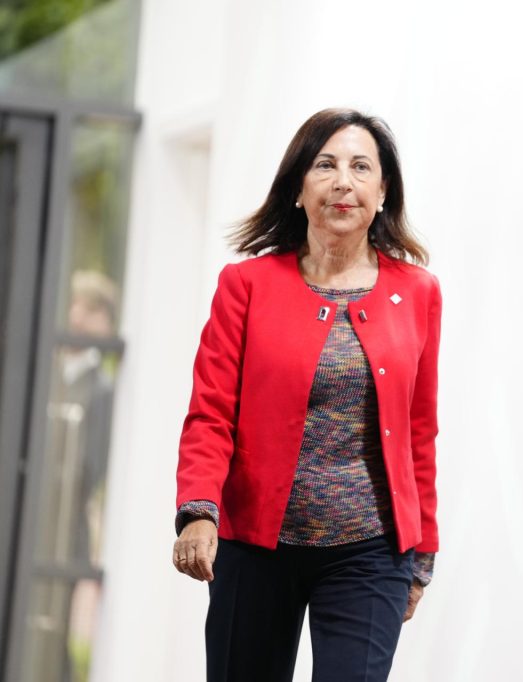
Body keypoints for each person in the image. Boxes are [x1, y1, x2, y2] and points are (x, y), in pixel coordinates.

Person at [171, 107, 442, 682]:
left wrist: (424, 551)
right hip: (255, 544)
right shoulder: (245, 287)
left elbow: (420, 428)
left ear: (382, 190)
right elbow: (210, 412)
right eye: (325, 165)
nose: (344, 181)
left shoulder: (418, 293)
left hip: (370, 552)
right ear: (298, 187)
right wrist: (199, 512)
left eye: (360, 166)